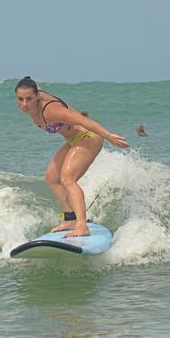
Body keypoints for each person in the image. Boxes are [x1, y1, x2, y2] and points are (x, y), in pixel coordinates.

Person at [14, 76, 129, 238]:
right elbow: (33, 85)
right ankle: (71, 219)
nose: (25, 104)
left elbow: (83, 120)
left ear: (37, 97)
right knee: (51, 178)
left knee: (68, 179)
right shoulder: (33, 103)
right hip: (73, 141)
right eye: (20, 99)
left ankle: (82, 226)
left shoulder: (51, 110)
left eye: (29, 99)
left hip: (89, 137)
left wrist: (109, 136)